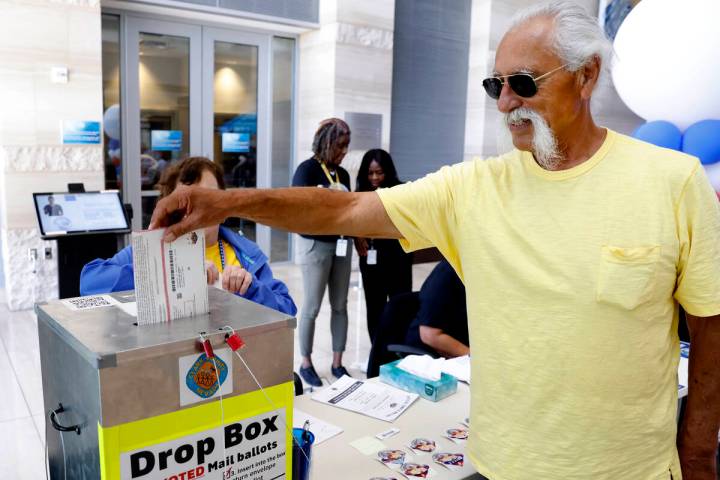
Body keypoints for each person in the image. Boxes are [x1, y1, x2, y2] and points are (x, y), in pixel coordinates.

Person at [149, 2, 720, 479]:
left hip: (629, 469)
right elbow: (345, 208)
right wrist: (225, 203)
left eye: (523, 84)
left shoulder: (672, 183)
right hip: (504, 466)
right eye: (495, 85)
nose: (504, 105)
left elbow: (711, 330)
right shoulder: (474, 186)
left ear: (587, 75)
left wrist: (696, 453)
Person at [80, 157, 296, 316]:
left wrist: (252, 289)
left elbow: (286, 309)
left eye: (210, 198)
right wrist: (167, 272)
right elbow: (90, 282)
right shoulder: (153, 250)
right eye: (188, 201)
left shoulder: (247, 255)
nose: (201, 208)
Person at [291, 118, 353, 387]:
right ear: (326, 143)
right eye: (340, 145)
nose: (344, 151)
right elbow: (296, 208)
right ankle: (306, 363)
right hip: (316, 245)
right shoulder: (306, 171)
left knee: (340, 305)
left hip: (342, 244)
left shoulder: (345, 175)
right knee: (312, 307)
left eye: (347, 146)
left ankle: (337, 363)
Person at [366, 259, 468, 378]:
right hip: (429, 358)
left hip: (458, 354)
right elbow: (430, 335)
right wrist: (472, 356)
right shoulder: (447, 273)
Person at [355, 149, 413, 343]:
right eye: (370, 173)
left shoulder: (401, 191)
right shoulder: (359, 195)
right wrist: (356, 235)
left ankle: (399, 347)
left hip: (398, 260)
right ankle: (378, 350)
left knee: (400, 305)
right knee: (374, 308)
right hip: (371, 261)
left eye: (379, 172)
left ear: (388, 171)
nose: (374, 177)